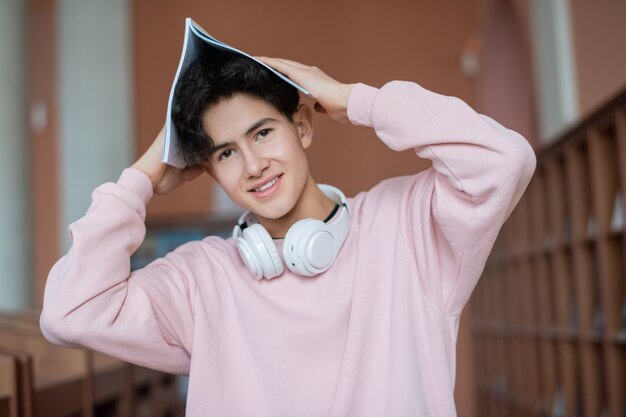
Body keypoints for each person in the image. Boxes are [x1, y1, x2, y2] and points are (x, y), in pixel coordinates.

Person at [40, 52, 536, 416]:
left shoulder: (405, 225)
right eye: (226, 153)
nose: (253, 165)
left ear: (302, 126)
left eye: (262, 133)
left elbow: (504, 160)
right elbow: (70, 312)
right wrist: (140, 180)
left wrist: (357, 100)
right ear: (208, 170)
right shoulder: (200, 279)